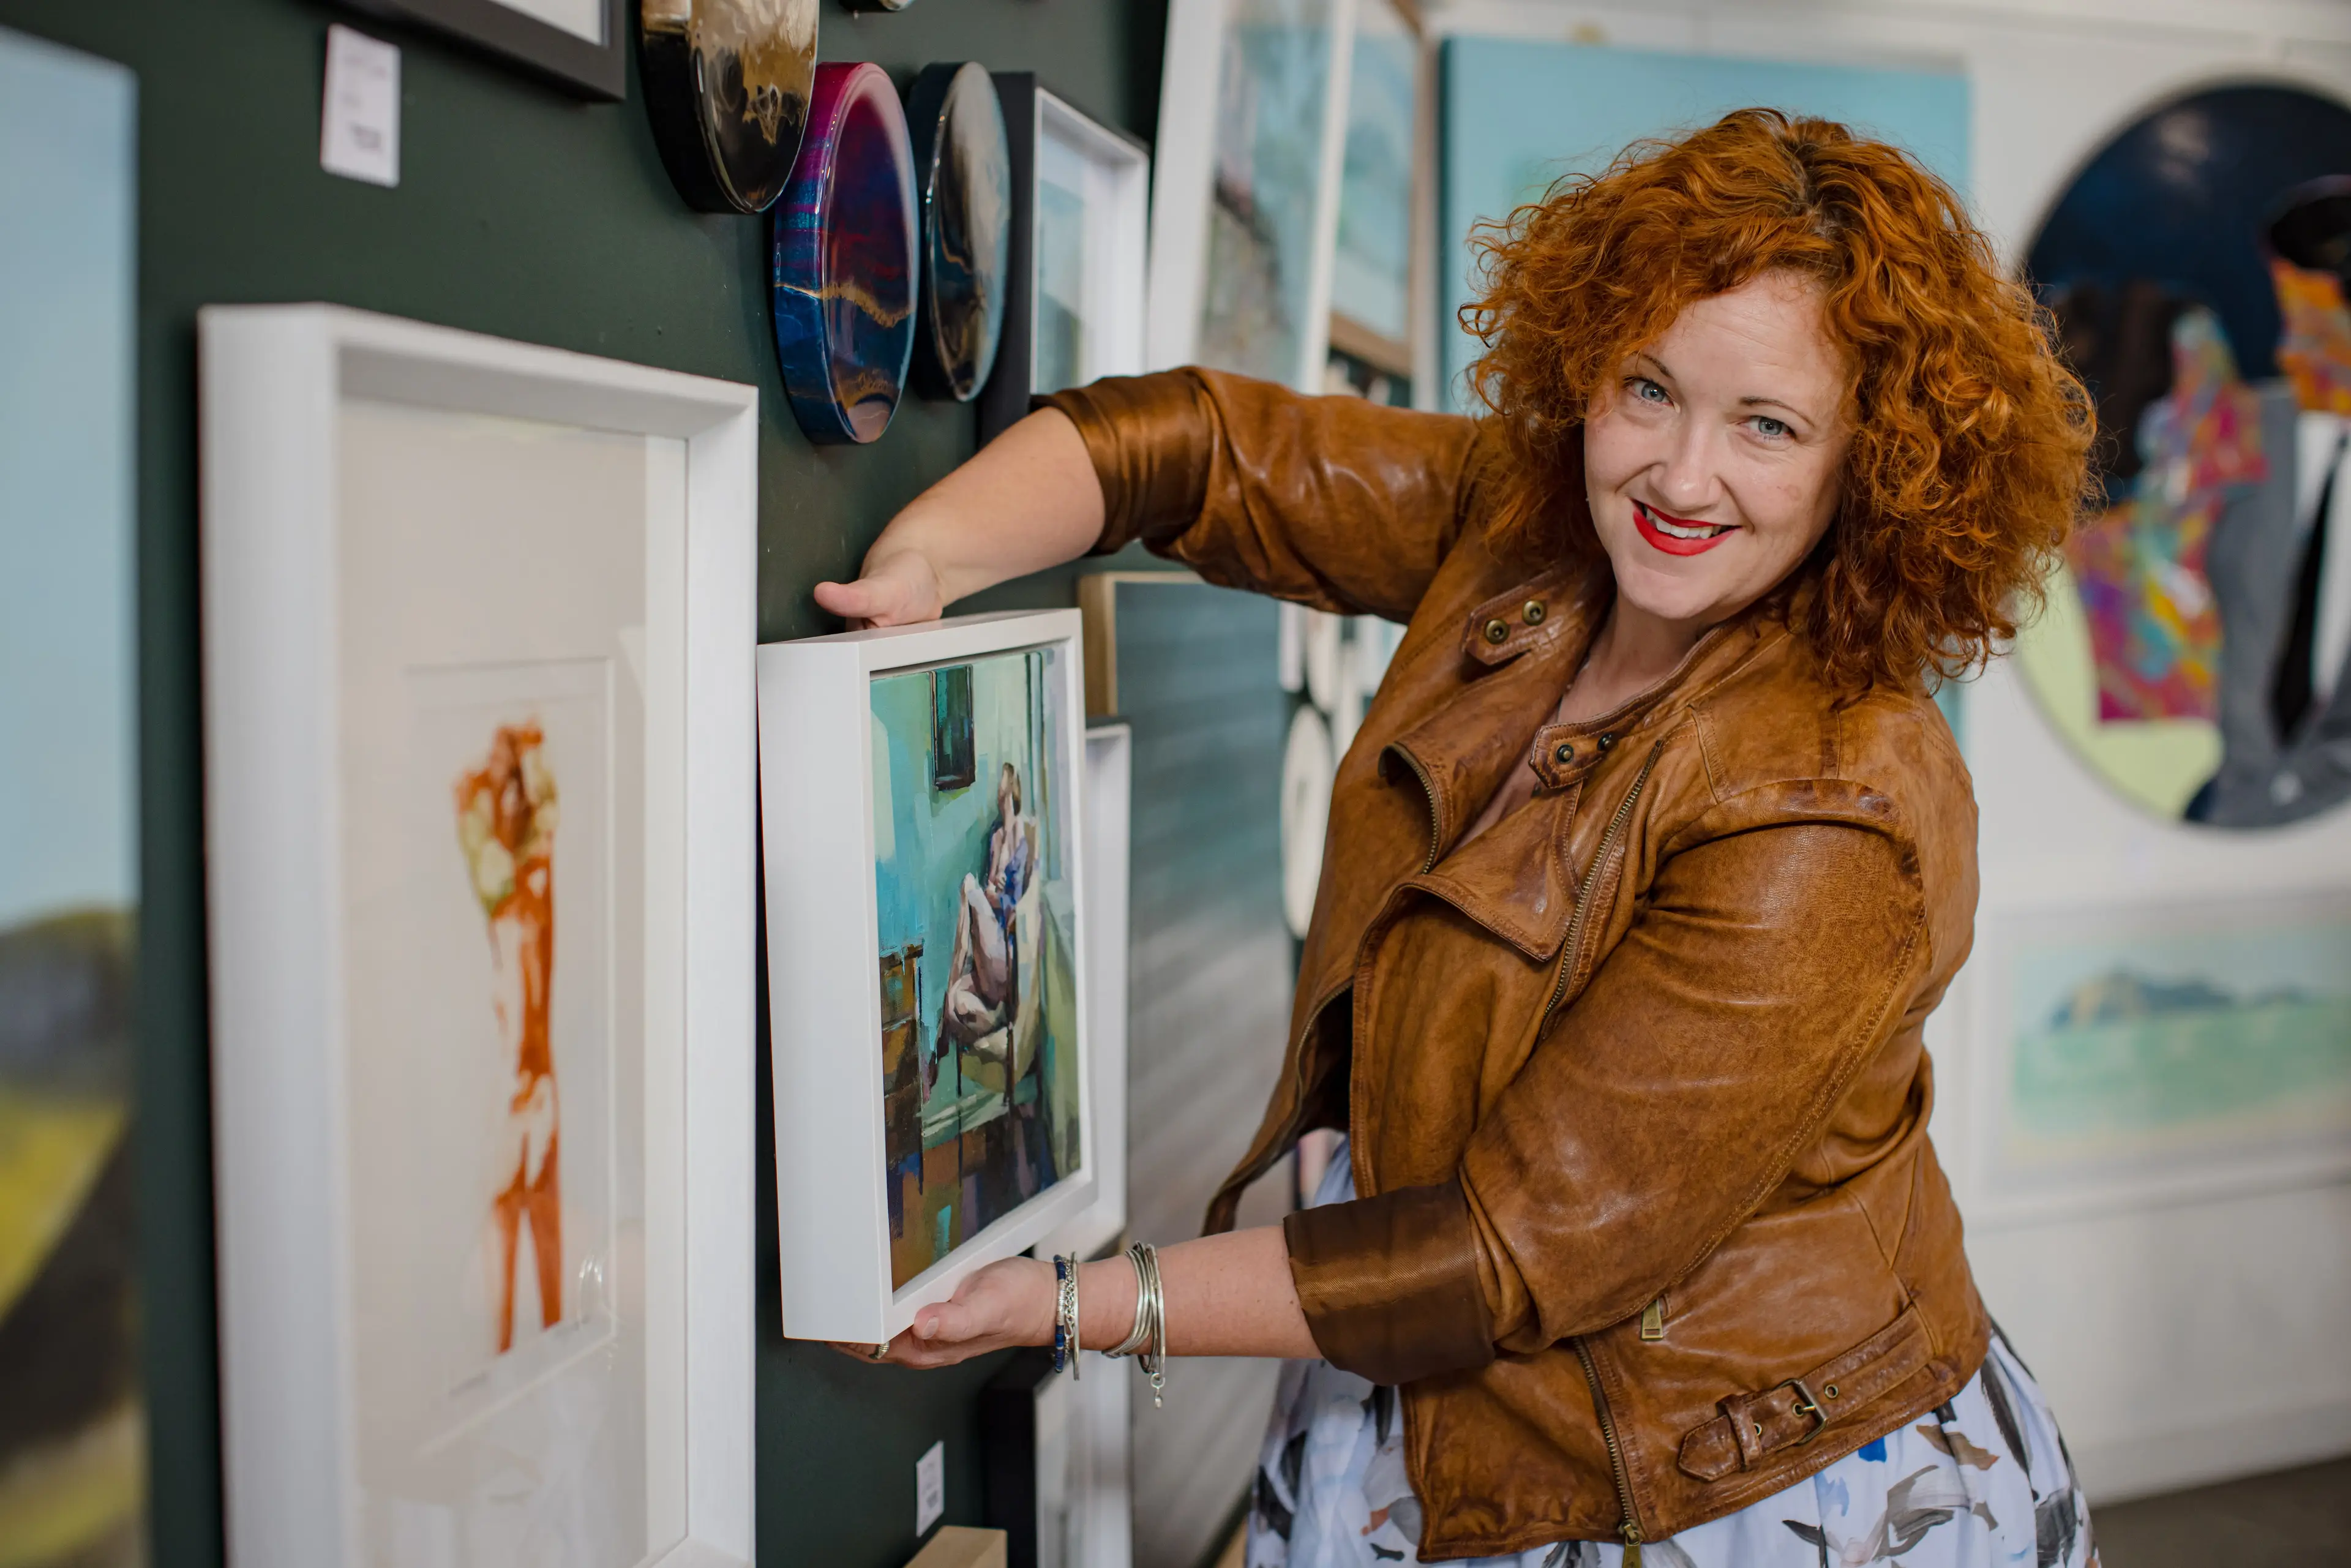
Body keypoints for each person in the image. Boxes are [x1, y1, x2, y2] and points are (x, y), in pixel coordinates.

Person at [818, 110, 2098, 1567]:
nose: (1679, 477)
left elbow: (1505, 1252)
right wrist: (927, 557)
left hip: (1700, 1472)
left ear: (1864, 464)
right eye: (1647, 388)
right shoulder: (1537, 518)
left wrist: (1075, 1299)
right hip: (1406, 1348)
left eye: (1766, 425)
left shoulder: (1835, 811)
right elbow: (1199, 450)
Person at [455, 720, 564, 1355]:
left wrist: (518, 761)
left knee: (537, 1217)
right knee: (509, 1219)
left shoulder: (529, 876)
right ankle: (506, 1346)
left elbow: (542, 811)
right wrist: (500, 771)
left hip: (534, 1072)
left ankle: (538, 1339)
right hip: (512, 1076)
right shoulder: (505, 880)